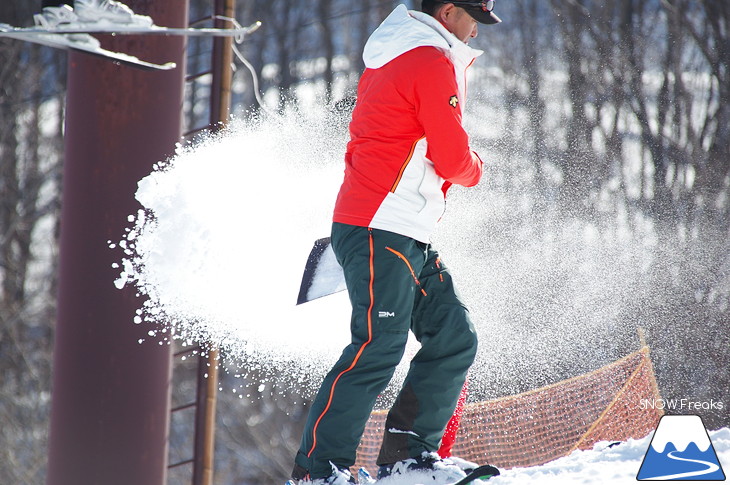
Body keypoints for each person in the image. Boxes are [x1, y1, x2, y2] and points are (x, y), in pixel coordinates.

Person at [292, 2, 501, 484]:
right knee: (377, 347)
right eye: (474, 19)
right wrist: (475, 168)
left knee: (453, 336)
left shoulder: (408, 51)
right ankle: (317, 473)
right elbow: (452, 157)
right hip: (379, 224)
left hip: (404, 229)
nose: (475, 32)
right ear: (449, 12)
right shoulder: (426, 59)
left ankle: (409, 459)